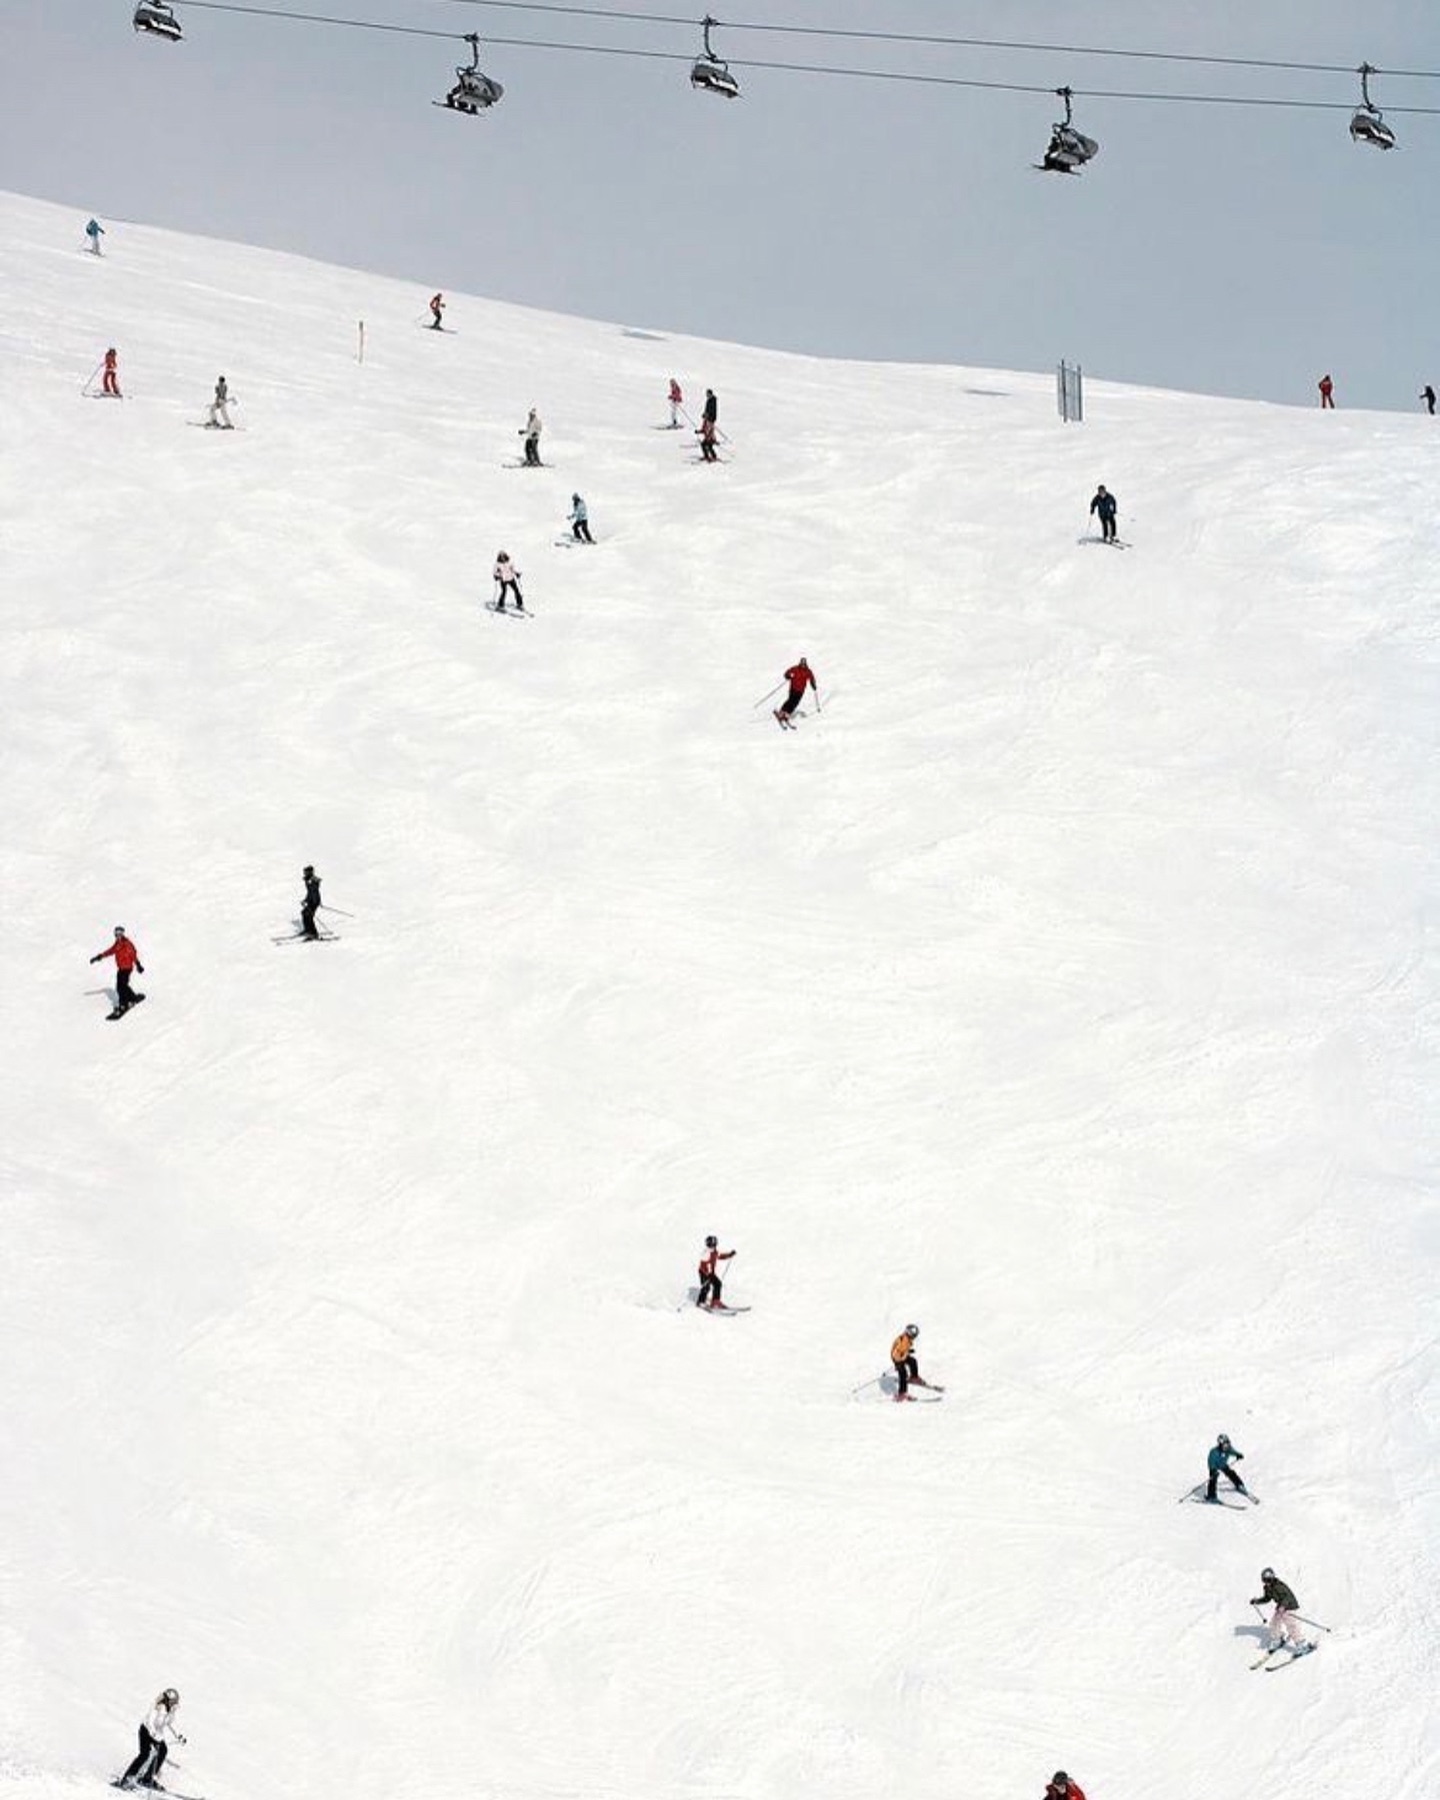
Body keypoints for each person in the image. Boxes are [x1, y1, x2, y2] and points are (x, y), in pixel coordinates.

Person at [119, 1688, 185, 1790]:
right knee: (144, 1754)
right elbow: (150, 1722)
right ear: (167, 1700)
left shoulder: (171, 1710)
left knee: (163, 1751)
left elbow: (169, 1723)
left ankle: (148, 1777)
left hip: (157, 1734)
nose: (174, 1704)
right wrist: (154, 1736)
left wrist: (178, 1735)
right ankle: (127, 1778)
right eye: (172, 1701)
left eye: (175, 1702)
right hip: (146, 1731)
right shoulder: (157, 1707)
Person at [1251, 1567, 1312, 1655]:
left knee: (1291, 1625)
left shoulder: (1279, 1586)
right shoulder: (1267, 1588)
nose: (1267, 1582)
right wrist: (1256, 1601)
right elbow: (1267, 1598)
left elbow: (1287, 1597)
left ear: (1272, 1578)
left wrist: (1283, 1606)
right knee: (1274, 1623)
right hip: (1281, 1607)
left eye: (1268, 1580)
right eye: (1264, 1580)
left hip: (1290, 1606)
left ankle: (1301, 1645)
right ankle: (1278, 1639)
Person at [90, 926, 145, 1018]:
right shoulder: (117, 944)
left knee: (120, 987)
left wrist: (138, 965)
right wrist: (99, 956)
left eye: (120, 933)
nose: (118, 935)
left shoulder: (127, 943)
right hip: (121, 968)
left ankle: (123, 1004)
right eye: (116, 933)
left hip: (127, 968)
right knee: (123, 985)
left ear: (123, 934)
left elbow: (133, 954)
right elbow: (110, 951)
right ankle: (132, 997)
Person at [1206, 1432, 1249, 1503]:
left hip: (1223, 1465)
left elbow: (1233, 1451)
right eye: (1225, 1444)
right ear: (1220, 1444)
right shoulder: (1213, 1452)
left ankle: (1239, 1485)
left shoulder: (1228, 1449)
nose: (1226, 1446)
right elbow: (1211, 1462)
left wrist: (1238, 1455)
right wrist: (1213, 1471)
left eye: (1227, 1444)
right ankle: (1211, 1496)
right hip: (1214, 1467)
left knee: (1231, 1473)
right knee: (1213, 1479)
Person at [774, 657, 816, 726]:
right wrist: (788, 676)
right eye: (802, 663)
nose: (803, 665)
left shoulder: (808, 671)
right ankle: (782, 712)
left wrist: (813, 684)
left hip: (801, 690)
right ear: (800, 663)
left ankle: (787, 713)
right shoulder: (795, 668)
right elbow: (787, 672)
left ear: (806, 664)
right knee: (790, 700)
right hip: (793, 688)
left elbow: (812, 678)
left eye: (804, 663)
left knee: (795, 703)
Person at [696, 1235, 735, 1309]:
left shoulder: (715, 1252)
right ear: (708, 1244)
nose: (713, 1247)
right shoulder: (706, 1253)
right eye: (711, 1245)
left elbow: (720, 1256)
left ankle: (715, 1301)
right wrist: (707, 1275)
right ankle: (700, 1302)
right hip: (703, 1273)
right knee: (706, 1286)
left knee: (718, 1284)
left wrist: (729, 1255)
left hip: (710, 1273)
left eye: (714, 1245)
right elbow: (703, 1265)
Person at [890, 1323, 925, 1401]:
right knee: (903, 1373)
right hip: (897, 1358)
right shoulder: (902, 1340)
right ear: (909, 1333)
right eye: (914, 1335)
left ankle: (914, 1377)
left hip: (903, 1356)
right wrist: (899, 1362)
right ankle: (902, 1393)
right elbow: (895, 1352)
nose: (914, 1337)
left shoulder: (907, 1339)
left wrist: (908, 1351)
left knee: (913, 1361)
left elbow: (903, 1348)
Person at [301, 865, 322, 940]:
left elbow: (314, 892)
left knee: (309, 916)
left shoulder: (313, 880)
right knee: (304, 913)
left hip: (314, 901)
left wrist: (315, 902)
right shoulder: (308, 880)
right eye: (304, 872)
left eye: (306, 872)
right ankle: (307, 930)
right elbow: (309, 892)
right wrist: (305, 900)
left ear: (310, 872)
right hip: (311, 900)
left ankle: (314, 934)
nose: (304, 873)